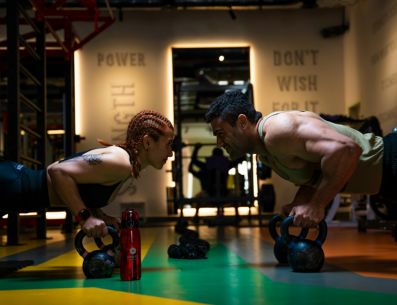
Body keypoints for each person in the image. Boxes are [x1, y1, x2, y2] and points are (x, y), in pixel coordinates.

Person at [205, 90, 397, 227]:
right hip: (386, 183)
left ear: (242, 122)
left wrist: (317, 204)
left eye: (221, 133)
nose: (219, 143)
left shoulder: (278, 130)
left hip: (392, 160)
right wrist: (301, 201)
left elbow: (346, 151)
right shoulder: (264, 153)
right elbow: (318, 171)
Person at [0, 110, 175, 237]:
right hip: (10, 185)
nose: (171, 153)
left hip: (14, 190)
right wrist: (84, 217)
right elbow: (57, 171)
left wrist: (100, 215)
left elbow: (82, 186)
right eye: (168, 144)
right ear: (147, 142)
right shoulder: (120, 162)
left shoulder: (123, 161)